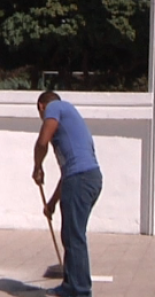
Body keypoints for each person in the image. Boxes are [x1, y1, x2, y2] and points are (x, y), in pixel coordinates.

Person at [32, 91, 103, 297]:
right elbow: (67, 174)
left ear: (41, 106)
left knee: (74, 236)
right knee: (71, 234)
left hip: (81, 180)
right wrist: (53, 202)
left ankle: (80, 291)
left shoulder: (54, 107)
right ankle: (70, 286)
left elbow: (42, 142)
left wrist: (37, 166)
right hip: (86, 179)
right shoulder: (71, 121)